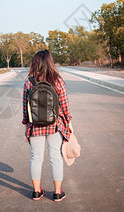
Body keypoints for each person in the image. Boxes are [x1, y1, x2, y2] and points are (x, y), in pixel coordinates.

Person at [22, 50, 73, 202]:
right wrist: (68, 123)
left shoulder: (29, 82)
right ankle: (57, 193)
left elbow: (26, 107)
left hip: (35, 125)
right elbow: (65, 106)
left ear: (35, 63)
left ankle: (37, 191)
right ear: (51, 62)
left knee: (36, 158)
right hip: (55, 125)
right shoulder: (57, 81)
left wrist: (26, 124)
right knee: (55, 158)